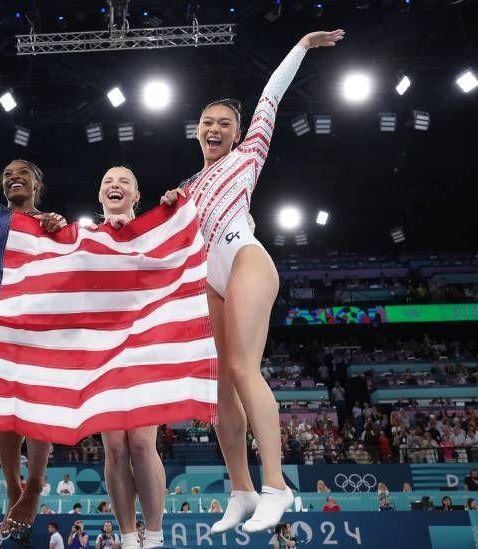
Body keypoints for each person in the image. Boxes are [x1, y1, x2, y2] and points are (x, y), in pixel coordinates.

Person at [160, 29, 345, 535]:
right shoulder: (187, 187)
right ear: (196, 132)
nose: (215, 128)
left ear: (238, 135)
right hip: (211, 280)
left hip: (246, 258)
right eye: (207, 123)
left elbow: (271, 96)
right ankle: (240, 491)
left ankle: (276, 485)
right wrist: (168, 208)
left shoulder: (248, 157)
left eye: (224, 123)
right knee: (219, 387)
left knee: (243, 368)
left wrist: (301, 47)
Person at [0, 82, 65, 533]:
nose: (12, 177)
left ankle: (36, 484)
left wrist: (59, 231)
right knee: (3, 406)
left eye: (21, 172)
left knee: (39, 403)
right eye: (7, 174)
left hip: (41, 319)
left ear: (38, 184)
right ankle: (11, 486)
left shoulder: (54, 223)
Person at [92, 167, 167, 549]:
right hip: (103, 351)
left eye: (123, 181)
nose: (115, 185)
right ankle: (127, 537)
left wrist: (173, 212)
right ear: (100, 195)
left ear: (137, 195)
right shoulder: (85, 237)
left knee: (140, 443)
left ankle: (153, 536)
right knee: (115, 447)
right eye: (108, 181)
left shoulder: (157, 232)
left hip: (145, 345)